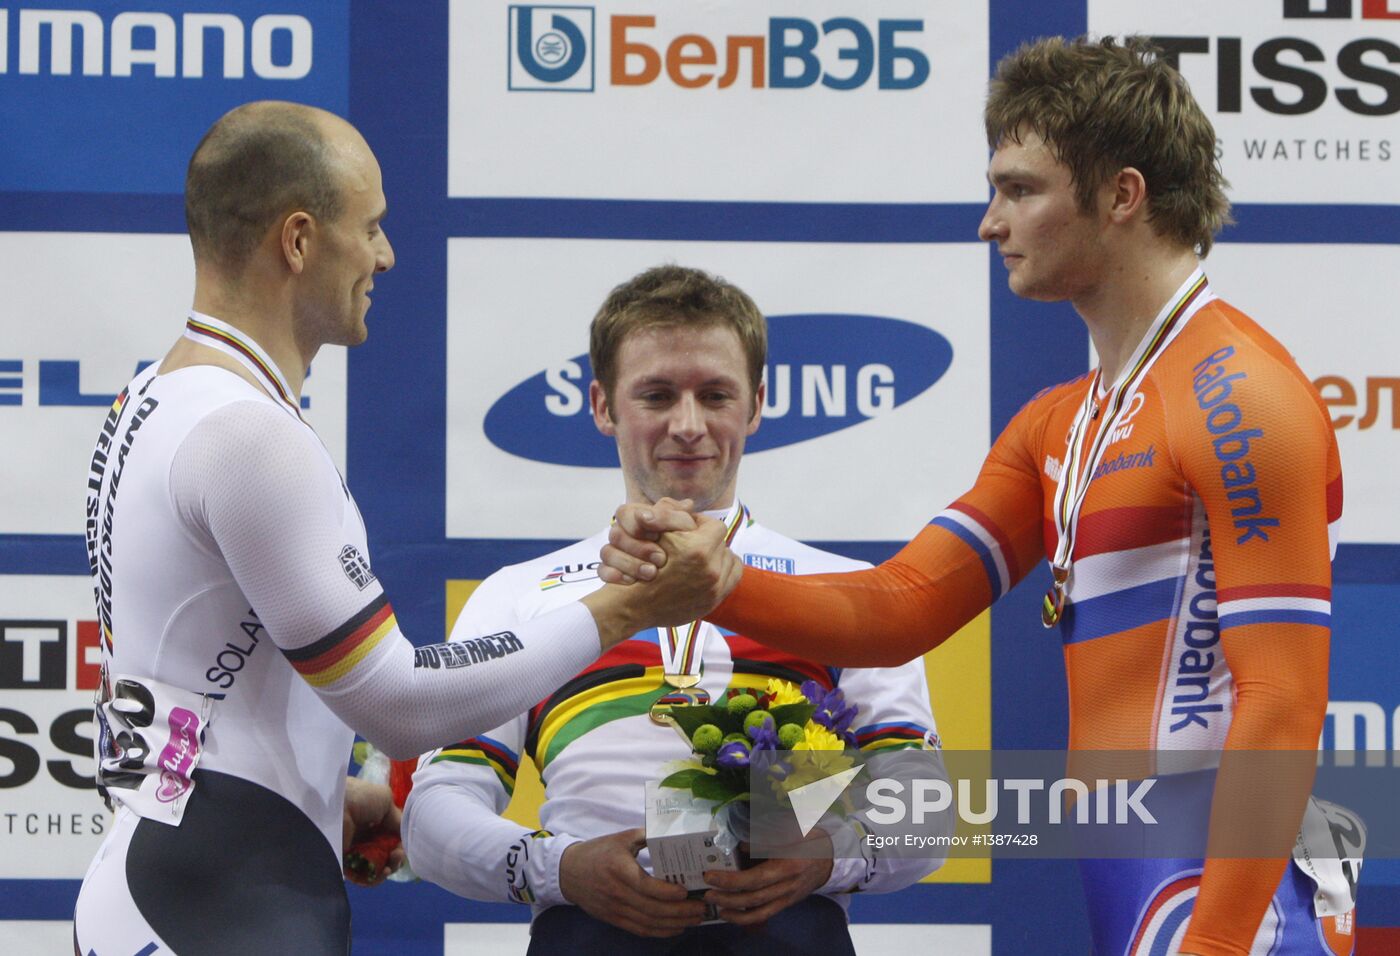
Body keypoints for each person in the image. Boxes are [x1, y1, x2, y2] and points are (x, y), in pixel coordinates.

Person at [603, 38, 1352, 956]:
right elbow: (901, 607)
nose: (991, 222)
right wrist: (713, 580)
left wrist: (1221, 943)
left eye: (1020, 189)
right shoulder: (1062, 420)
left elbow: (1281, 700)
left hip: (1231, 889)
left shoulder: (1238, 396)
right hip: (1132, 876)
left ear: (1122, 196)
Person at [73, 103, 728, 955]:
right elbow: (400, 704)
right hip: (221, 897)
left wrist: (316, 792)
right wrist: (625, 610)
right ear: (299, 241)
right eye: (371, 227)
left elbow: (178, 677)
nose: (385, 254)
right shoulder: (249, 436)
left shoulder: (151, 397)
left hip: (175, 869)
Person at [401, 265, 942, 954]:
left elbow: (924, 808)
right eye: (656, 395)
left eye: (715, 395)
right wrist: (561, 868)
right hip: (586, 931)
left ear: (756, 405)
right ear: (602, 406)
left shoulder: (844, 588)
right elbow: (434, 811)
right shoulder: (519, 594)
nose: (688, 426)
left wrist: (826, 858)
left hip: (788, 934)